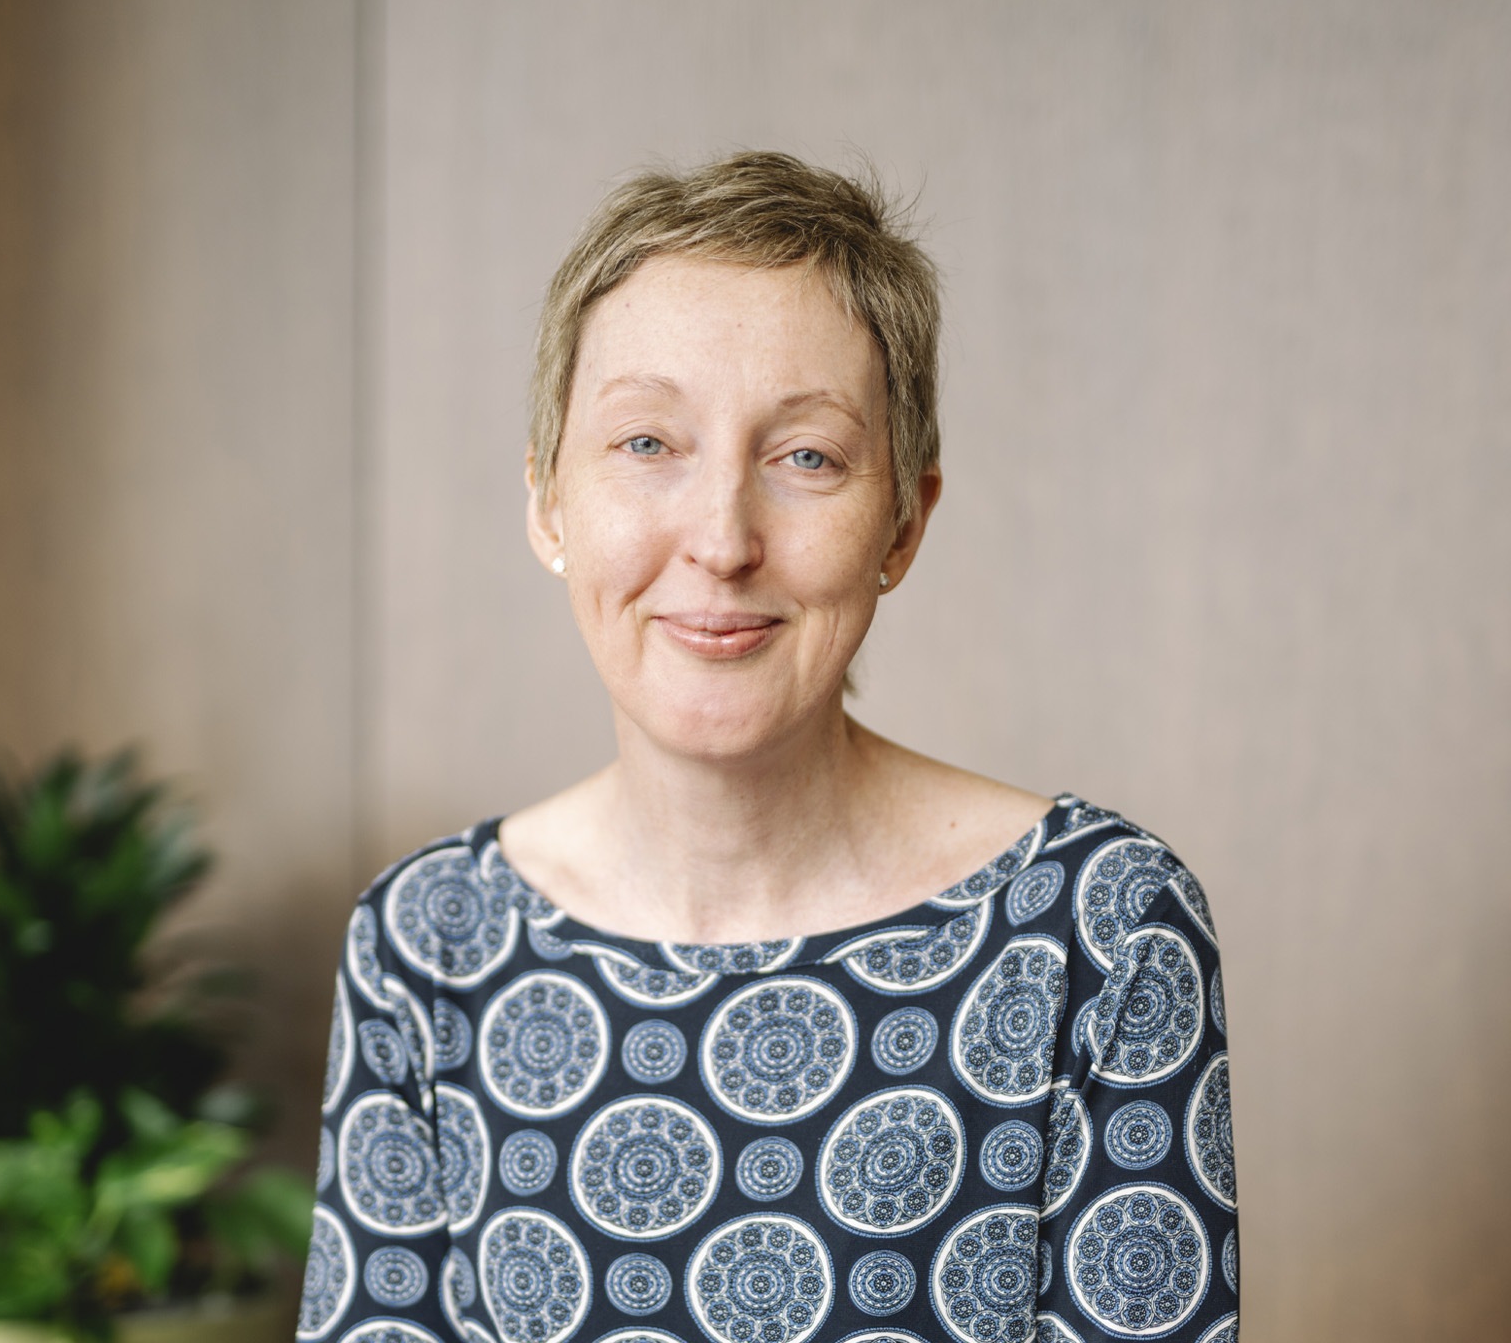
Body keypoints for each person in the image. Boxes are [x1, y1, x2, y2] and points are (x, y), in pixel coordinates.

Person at [299, 153, 1238, 1343]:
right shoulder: (428, 942)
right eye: (646, 444)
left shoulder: (1098, 931)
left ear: (904, 523)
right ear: (548, 503)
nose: (723, 539)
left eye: (807, 457)